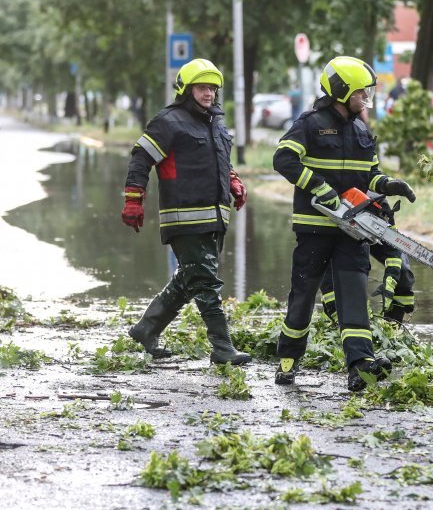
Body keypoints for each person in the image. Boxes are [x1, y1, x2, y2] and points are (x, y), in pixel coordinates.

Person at [272, 56, 416, 391]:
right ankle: (288, 360)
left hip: (353, 228)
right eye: (360, 92)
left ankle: (359, 364)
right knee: (304, 295)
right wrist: (319, 186)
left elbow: (371, 175)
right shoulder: (309, 124)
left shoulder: (362, 130)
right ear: (341, 91)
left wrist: (388, 184)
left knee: (354, 295)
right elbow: (284, 158)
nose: (366, 98)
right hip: (314, 227)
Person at [121, 58, 251, 366]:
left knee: (190, 278)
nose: (209, 94)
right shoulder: (168, 122)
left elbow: (221, 160)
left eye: (213, 89)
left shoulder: (215, 121)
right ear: (186, 89)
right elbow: (141, 159)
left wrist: (233, 180)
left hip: (215, 216)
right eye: (203, 88)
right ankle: (222, 346)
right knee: (205, 282)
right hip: (185, 218)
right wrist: (133, 199)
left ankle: (146, 328)